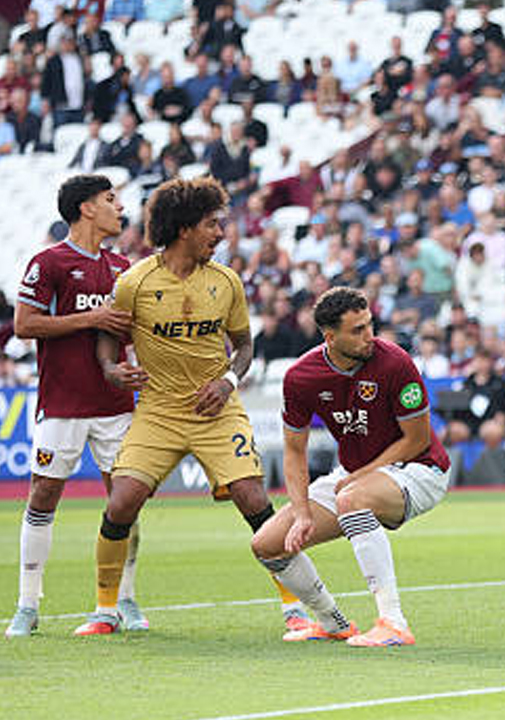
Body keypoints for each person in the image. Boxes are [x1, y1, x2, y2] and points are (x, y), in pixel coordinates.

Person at [75, 177, 306, 636]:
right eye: (212, 224)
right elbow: (108, 339)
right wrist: (110, 369)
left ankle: (296, 605)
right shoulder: (134, 283)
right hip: (158, 412)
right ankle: (105, 611)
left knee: (253, 498)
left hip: (216, 410)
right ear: (183, 229)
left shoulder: (226, 281)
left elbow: (243, 345)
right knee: (122, 502)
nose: (221, 233)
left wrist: (227, 381)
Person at [251, 288, 451, 647]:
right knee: (268, 544)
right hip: (354, 476)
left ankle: (393, 623)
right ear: (330, 337)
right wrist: (301, 514)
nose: (369, 336)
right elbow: (294, 451)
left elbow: (417, 440)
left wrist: (356, 479)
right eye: (357, 330)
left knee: (353, 499)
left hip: (420, 469)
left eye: (369, 325)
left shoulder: (395, 361)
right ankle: (332, 622)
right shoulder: (301, 377)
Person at [7, 176, 142, 637]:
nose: (119, 207)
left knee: (124, 502)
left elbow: (130, 332)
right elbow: (24, 325)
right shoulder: (49, 263)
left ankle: (124, 598)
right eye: (110, 200)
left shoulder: (125, 268)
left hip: (116, 406)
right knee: (43, 497)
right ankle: (27, 604)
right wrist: (92, 317)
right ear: (86, 208)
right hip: (62, 405)